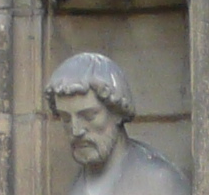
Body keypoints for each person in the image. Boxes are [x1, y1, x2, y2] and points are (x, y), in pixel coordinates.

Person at [45, 53, 187, 195]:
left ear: (117, 112)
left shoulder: (159, 182)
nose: (76, 130)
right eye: (66, 118)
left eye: (89, 116)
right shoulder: (77, 186)